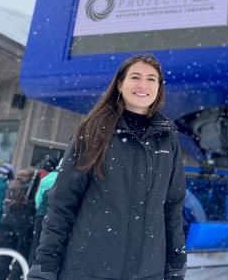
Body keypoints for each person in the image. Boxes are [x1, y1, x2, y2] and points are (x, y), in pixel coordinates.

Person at [28, 54, 187, 280]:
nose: (143, 85)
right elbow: (63, 203)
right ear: (120, 84)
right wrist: (46, 264)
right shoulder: (92, 132)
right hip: (89, 270)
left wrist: (176, 262)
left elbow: (173, 207)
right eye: (136, 77)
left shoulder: (167, 139)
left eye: (152, 79)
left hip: (148, 272)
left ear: (159, 88)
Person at [0, 167, 37, 280]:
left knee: (2, 257)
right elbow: (31, 202)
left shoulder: (11, 183)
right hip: (22, 220)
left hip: (6, 220)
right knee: (21, 255)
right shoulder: (29, 185)